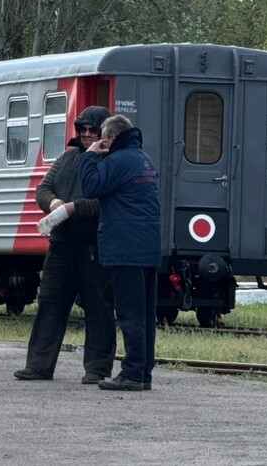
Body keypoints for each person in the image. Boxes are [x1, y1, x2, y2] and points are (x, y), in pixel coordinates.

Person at [14, 106, 116, 384]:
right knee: (50, 302)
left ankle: (98, 368)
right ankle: (38, 365)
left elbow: (105, 201)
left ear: (104, 133)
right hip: (61, 244)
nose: (86, 134)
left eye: (92, 130)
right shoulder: (66, 157)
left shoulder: (110, 161)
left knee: (98, 306)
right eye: (82, 129)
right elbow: (42, 189)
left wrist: (72, 208)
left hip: (93, 244)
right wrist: (54, 203)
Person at [80, 114, 161, 392]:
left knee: (130, 313)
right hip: (147, 247)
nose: (99, 142)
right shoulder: (144, 159)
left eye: (102, 139)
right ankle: (143, 373)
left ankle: (131, 374)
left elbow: (89, 187)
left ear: (111, 138)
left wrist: (91, 155)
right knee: (145, 314)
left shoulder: (118, 161)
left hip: (126, 248)